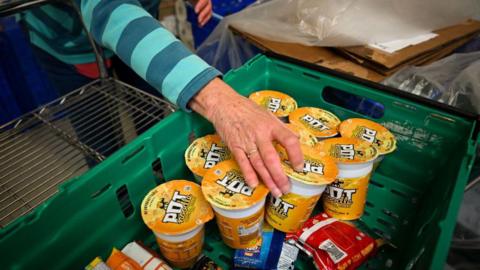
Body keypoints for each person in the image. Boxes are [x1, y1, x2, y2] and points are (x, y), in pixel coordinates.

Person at [22, 0, 303, 198]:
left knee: (152, 115)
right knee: (101, 145)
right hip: (71, 39)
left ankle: (158, 183)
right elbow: (108, 10)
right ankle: (120, 204)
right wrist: (220, 101)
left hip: (141, 18)